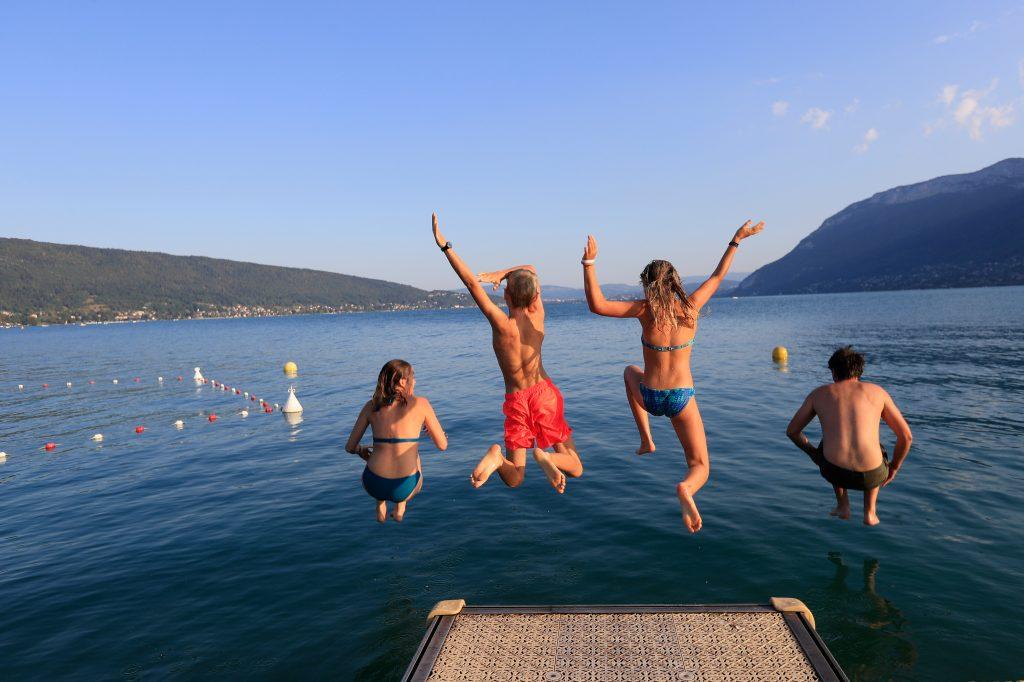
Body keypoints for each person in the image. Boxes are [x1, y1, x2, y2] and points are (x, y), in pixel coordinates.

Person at [581, 221, 764, 532]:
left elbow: (597, 304)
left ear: (647, 285)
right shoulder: (691, 308)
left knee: (629, 373)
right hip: (680, 397)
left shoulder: (643, 311)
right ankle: (687, 489)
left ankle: (646, 440)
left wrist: (589, 262)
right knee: (699, 465)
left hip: (650, 396)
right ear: (675, 282)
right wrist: (736, 239)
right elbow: (718, 276)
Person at [431, 212, 583, 493]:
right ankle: (547, 457)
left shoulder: (501, 324)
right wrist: (502, 273)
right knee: (575, 465)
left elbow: (470, 283)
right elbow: (531, 268)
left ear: (506, 296)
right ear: (534, 295)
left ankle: (496, 457)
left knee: (514, 478)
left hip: (517, 400)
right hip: (544, 395)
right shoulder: (538, 315)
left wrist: (445, 246)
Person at [786, 346, 913, 526]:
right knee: (878, 449)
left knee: (827, 444)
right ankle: (870, 512)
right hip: (873, 474)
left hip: (833, 472)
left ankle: (843, 506)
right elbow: (906, 437)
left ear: (834, 372)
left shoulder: (818, 394)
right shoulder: (878, 392)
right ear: (859, 371)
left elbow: (792, 431)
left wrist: (814, 454)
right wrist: (894, 467)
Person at [345, 359, 447, 523]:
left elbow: (350, 447)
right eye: (413, 377)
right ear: (402, 381)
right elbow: (443, 445)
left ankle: (380, 504)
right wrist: (434, 432)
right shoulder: (421, 404)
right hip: (405, 487)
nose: (415, 381)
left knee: (378, 452)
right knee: (413, 451)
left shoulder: (370, 406)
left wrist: (361, 451)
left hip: (373, 483)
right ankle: (400, 506)